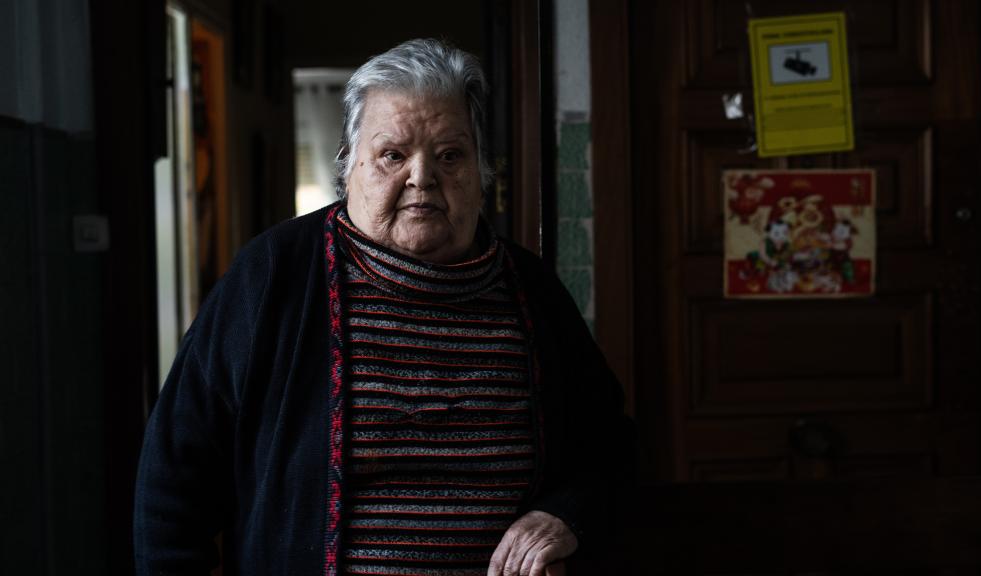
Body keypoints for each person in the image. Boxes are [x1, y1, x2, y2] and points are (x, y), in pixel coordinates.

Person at [134, 38, 629, 576]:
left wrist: (565, 517)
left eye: (450, 155)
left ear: (482, 172)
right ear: (348, 167)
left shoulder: (531, 291)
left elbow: (611, 448)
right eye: (393, 155)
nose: (422, 177)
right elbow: (172, 484)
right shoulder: (273, 276)